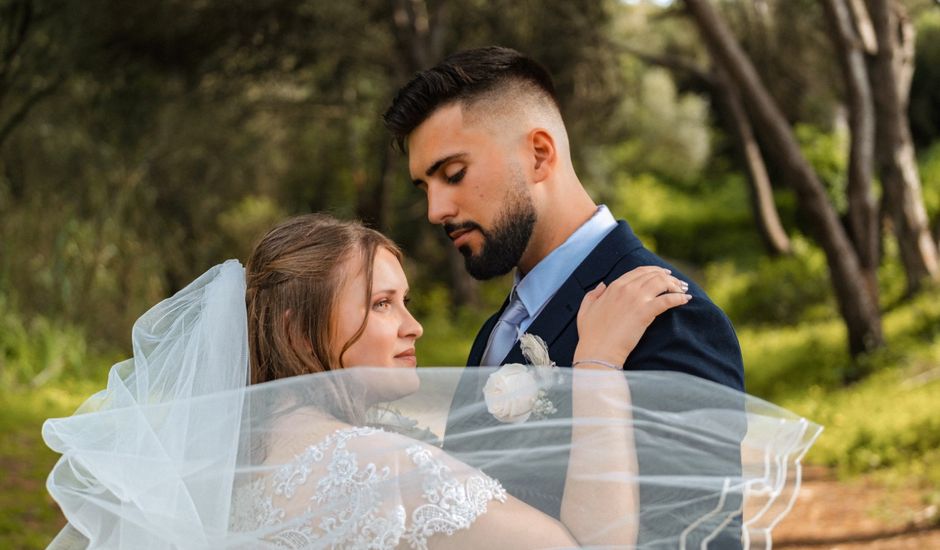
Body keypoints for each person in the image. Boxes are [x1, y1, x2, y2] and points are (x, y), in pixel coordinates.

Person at [43, 214, 819, 549]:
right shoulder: (382, 471)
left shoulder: (236, 466)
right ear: (291, 330)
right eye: (382, 304)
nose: (412, 326)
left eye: (406, 300)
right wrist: (600, 368)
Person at [383, 46, 748, 544]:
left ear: (539, 154)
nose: (435, 210)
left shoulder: (669, 318)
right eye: (424, 186)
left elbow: (697, 536)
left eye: (453, 174)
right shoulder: (498, 330)